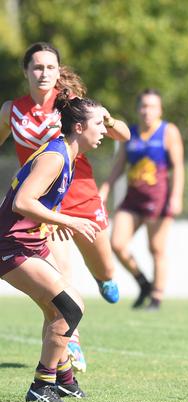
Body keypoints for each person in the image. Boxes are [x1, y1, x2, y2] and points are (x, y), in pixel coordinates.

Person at [0, 42, 131, 373]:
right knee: (62, 283)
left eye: (50, 67)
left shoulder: (73, 107)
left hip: (81, 196)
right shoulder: (12, 111)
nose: (43, 73)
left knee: (104, 270)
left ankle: (104, 278)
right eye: (37, 67)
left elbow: (125, 135)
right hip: (44, 203)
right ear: (26, 71)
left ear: (60, 71)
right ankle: (69, 347)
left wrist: (106, 118)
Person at [0, 90, 107, 402]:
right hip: (11, 245)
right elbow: (22, 202)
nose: (104, 129)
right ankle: (41, 386)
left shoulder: (68, 155)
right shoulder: (56, 155)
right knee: (69, 308)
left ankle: (63, 379)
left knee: (58, 310)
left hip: (28, 241)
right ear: (78, 127)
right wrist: (68, 221)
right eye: (99, 123)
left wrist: (52, 220)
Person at [99, 89, 184, 310]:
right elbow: (119, 164)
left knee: (156, 248)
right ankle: (142, 282)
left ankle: (156, 297)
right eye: (144, 106)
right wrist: (106, 187)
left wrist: (176, 196)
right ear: (138, 109)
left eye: (152, 106)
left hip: (159, 200)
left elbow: (178, 167)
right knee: (116, 244)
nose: (147, 111)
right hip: (132, 199)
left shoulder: (168, 131)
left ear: (160, 110)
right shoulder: (132, 133)